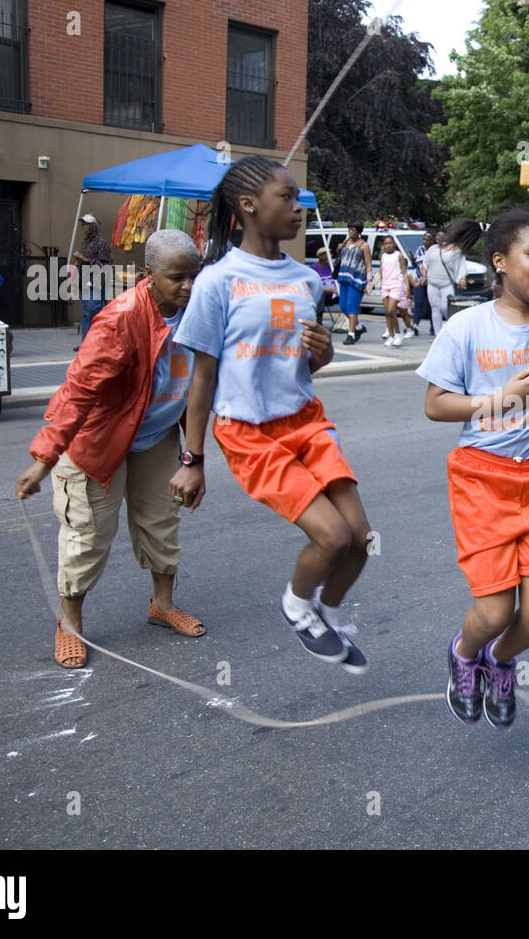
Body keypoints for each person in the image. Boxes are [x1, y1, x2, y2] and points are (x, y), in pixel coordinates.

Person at [172, 155, 371, 674]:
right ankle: (295, 606)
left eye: (298, 197)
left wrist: (322, 354)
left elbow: (306, 362)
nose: (298, 206)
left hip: (306, 418)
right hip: (250, 432)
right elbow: (202, 379)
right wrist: (192, 459)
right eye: (286, 196)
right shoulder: (217, 282)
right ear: (248, 205)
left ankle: (323, 613)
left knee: (359, 542)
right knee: (331, 536)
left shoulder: (307, 279)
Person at [417, 206, 529, 729]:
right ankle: (466, 654)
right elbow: (435, 404)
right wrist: (496, 401)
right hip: (483, 481)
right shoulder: (467, 326)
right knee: (494, 613)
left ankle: (499, 659)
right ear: (500, 262)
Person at [15, 229, 206, 669]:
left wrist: (195, 460)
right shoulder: (119, 318)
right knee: (88, 537)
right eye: (177, 278)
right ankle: (70, 624)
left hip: (157, 437)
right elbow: (78, 391)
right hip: (102, 440)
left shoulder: (201, 313)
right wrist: (44, 457)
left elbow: (202, 390)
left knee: (162, 522)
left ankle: (161, 604)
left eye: (193, 276)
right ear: (148, 275)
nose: (188, 287)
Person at [72, 214, 113, 351]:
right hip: (84, 281)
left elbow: (104, 263)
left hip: (95, 281)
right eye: (83, 224)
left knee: (94, 311)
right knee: (86, 313)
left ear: (94, 226)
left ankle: (97, 343)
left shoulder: (100, 242)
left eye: (87, 224)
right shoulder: (85, 242)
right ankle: (86, 343)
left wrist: (83, 258)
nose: (84, 227)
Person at [423, 226, 468, 337]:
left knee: (445, 308)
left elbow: (461, 265)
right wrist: (424, 276)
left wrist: (462, 278)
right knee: (435, 309)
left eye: (442, 236)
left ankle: (450, 331)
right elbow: (425, 264)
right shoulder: (432, 249)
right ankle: (438, 334)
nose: (439, 238)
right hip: (432, 284)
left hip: (446, 284)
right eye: (438, 236)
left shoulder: (455, 250)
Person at [336, 223, 371, 345]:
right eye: (349, 229)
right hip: (344, 277)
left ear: (359, 232)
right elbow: (340, 257)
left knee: (352, 306)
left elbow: (368, 265)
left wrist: (368, 282)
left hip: (357, 279)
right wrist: (339, 248)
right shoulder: (346, 242)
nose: (351, 232)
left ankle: (351, 334)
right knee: (343, 306)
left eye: (353, 230)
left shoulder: (364, 246)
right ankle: (359, 327)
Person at [411, 230, 435, 336]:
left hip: (432, 282)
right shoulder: (419, 250)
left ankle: (433, 326)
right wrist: (412, 260)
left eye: (427, 240)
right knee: (418, 303)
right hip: (420, 281)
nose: (425, 242)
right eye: (424, 240)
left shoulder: (435, 251)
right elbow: (416, 264)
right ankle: (415, 325)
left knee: (431, 306)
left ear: (432, 241)